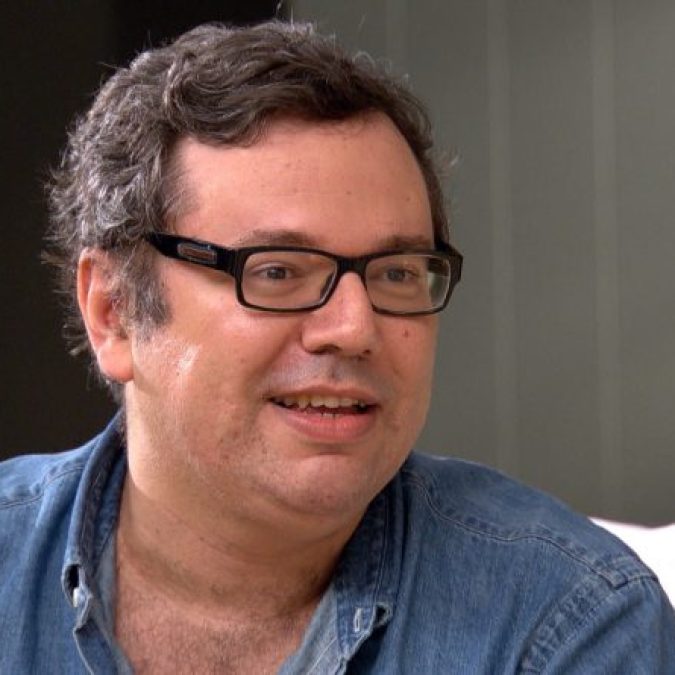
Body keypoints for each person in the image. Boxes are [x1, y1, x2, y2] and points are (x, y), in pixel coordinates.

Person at [0, 21, 672, 674]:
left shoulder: (567, 625)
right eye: (277, 271)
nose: (353, 328)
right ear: (113, 312)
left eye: (396, 274)